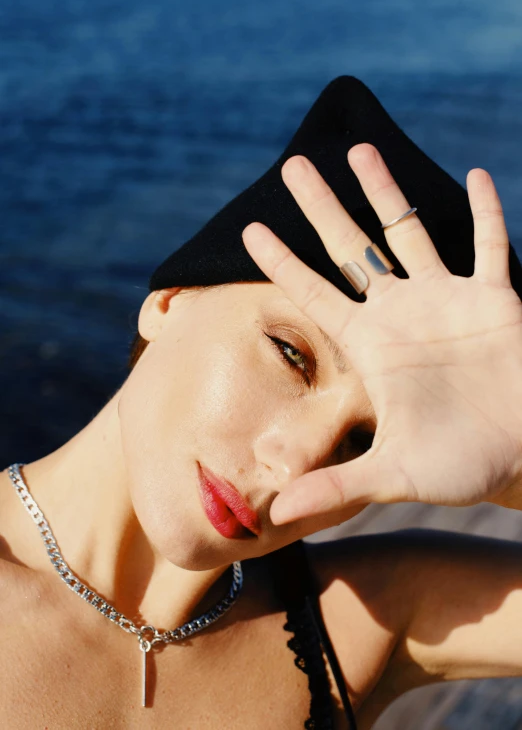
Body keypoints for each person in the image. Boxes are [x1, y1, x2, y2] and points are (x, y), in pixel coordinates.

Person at [2, 76, 522, 730]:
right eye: (291, 354)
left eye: (363, 441)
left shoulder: (367, 618)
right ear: (170, 302)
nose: (300, 465)